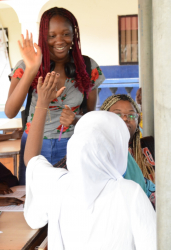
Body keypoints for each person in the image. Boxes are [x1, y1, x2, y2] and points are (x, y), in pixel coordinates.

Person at [23, 73, 156, 249]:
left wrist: (42, 103)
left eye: (130, 115)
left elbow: (32, 161)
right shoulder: (131, 193)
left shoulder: (58, 185)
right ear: (118, 147)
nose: (125, 119)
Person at [5, 7, 105, 184]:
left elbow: (91, 117)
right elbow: (10, 111)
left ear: (74, 35)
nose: (59, 41)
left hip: (73, 145)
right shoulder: (25, 66)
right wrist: (31, 68)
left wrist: (75, 119)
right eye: (52, 36)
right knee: (34, 200)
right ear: (43, 37)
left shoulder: (88, 67)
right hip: (34, 145)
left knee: (71, 199)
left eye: (66, 34)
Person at [100, 94, 155, 206]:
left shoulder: (149, 146)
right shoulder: (97, 152)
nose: (125, 119)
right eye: (118, 114)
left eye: (131, 116)